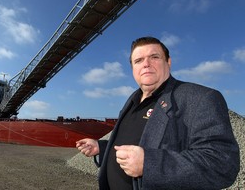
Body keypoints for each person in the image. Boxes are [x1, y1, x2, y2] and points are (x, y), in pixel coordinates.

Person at [76, 36, 240, 190]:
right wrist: (102, 147)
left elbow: (222, 164)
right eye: (138, 60)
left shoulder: (200, 98)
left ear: (168, 62)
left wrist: (148, 164)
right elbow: (136, 140)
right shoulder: (131, 101)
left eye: (154, 57)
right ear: (133, 69)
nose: (146, 64)